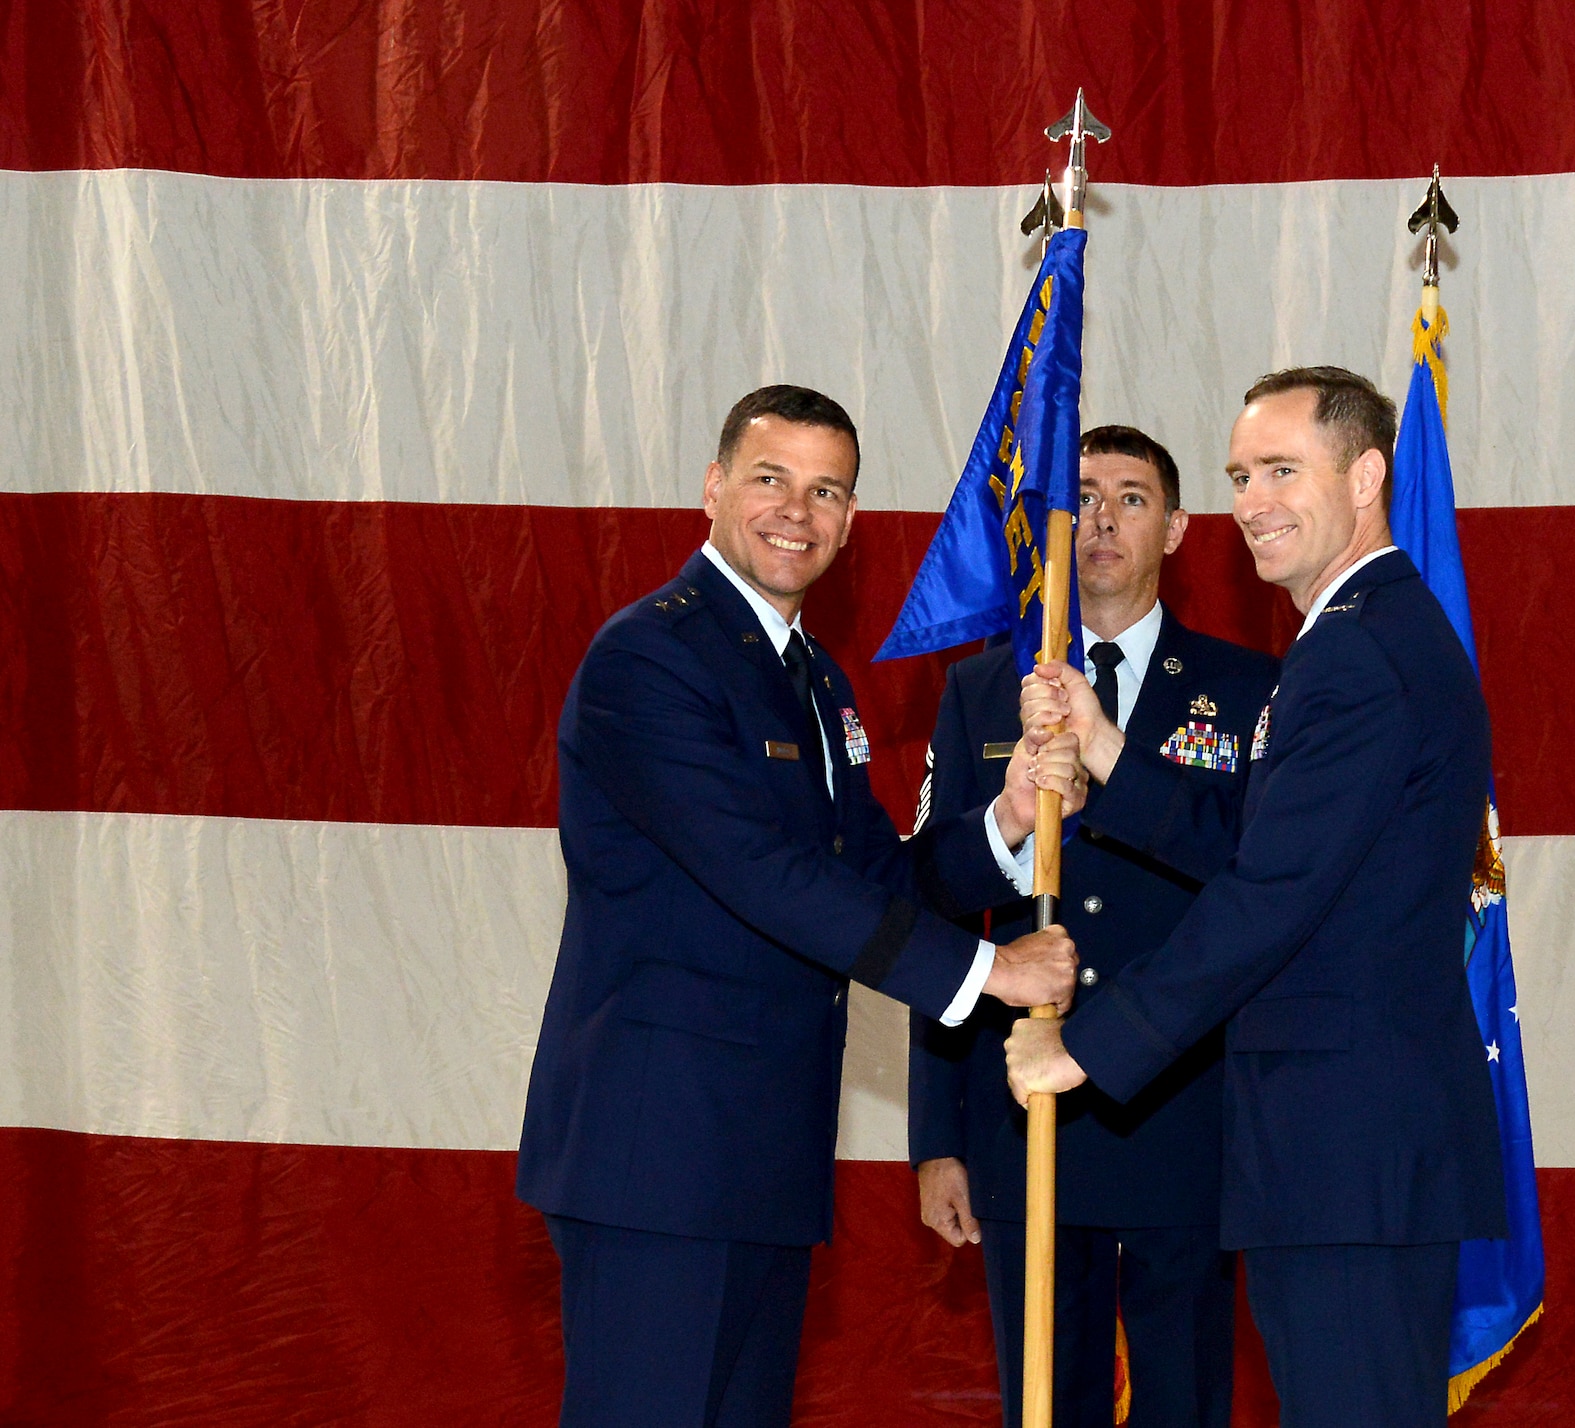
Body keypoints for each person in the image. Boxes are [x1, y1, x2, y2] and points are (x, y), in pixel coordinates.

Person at [517, 385, 1082, 1428]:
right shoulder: (649, 657)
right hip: (659, 1157)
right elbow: (762, 875)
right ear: (713, 487)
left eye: (826, 491)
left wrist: (1003, 821)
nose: (796, 511)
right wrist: (989, 973)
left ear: (851, 519)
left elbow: (874, 875)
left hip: (762, 1156)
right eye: (770, 478)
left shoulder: (814, 678)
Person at [1005, 369, 1508, 1427]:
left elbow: (1272, 893)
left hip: (1348, 1149)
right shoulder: (1358, 631)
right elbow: (1267, 839)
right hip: (1345, 1149)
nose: (1252, 502)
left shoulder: (1358, 649)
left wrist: (1086, 1046)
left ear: (1365, 477)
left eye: (1282, 471)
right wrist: (1105, 749)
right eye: (1239, 476)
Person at [909, 426, 1279, 1428]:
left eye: (1131, 497)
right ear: (1049, 527)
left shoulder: (1248, 689)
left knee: (1184, 1399)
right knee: (1042, 1402)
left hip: (1185, 1110)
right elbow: (935, 911)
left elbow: (1262, 884)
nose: (1104, 519)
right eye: (1082, 498)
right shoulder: (981, 689)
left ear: (1176, 528)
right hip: (1023, 1111)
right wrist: (937, 1136)